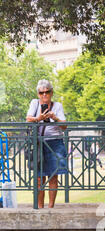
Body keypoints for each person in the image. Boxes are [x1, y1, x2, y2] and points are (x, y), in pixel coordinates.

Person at [26, 79, 67, 208]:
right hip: (39, 143)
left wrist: (55, 118)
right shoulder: (34, 103)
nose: (44, 95)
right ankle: (40, 207)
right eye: (41, 92)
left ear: (51, 93)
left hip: (55, 142)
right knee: (39, 178)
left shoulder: (57, 106)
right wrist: (39, 118)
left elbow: (64, 126)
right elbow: (28, 119)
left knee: (53, 177)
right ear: (38, 94)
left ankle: (50, 207)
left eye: (47, 92)